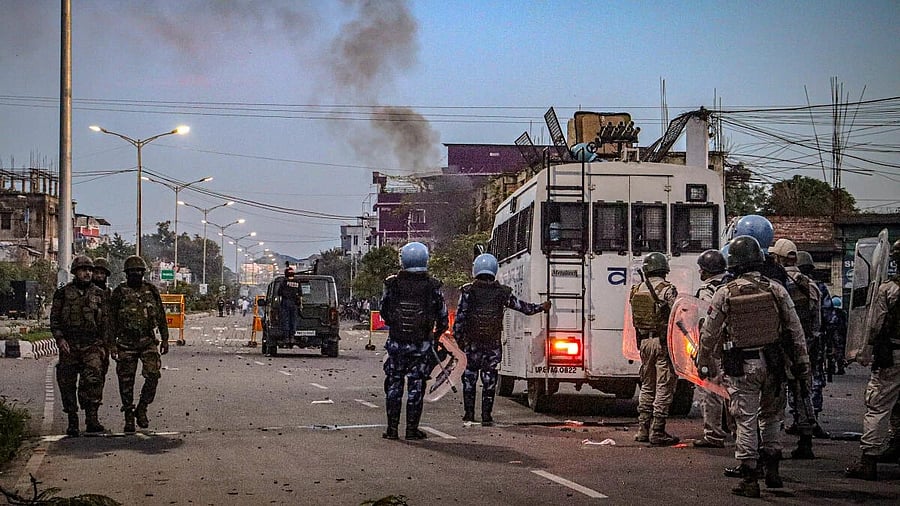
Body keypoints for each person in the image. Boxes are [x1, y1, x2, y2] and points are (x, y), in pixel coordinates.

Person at [696, 235, 810, 497]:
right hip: (774, 363)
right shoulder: (776, 289)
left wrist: (703, 362)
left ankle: (749, 478)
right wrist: (802, 363)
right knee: (772, 416)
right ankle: (773, 471)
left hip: (741, 366)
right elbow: (795, 329)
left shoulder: (725, 292)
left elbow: (710, 333)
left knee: (745, 420)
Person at [454, 253, 550, 426]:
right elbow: (523, 308)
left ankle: (469, 414)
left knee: (469, 380)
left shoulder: (467, 292)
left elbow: (459, 320)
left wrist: (461, 343)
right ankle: (486, 416)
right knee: (489, 380)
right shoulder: (502, 293)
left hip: (472, 345)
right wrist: (541, 307)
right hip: (492, 344)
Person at [380, 242, 449, 440]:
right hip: (421, 346)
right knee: (416, 387)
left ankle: (392, 430)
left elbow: (384, 311)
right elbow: (443, 318)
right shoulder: (433, 286)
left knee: (393, 386)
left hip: (396, 344)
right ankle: (411, 430)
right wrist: (434, 337)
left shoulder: (391, 284)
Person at [846, 239, 900, 481]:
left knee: (878, 405)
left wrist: (863, 350)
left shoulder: (888, 289)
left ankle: (869, 460)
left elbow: (875, 326)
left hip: (893, 355)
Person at [770, 241, 828, 451]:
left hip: (780, 347)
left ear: (779, 258)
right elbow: (817, 320)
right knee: (803, 392)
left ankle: (770, 444)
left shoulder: (775, 283)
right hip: (805, 346)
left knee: (774, 395)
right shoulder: (810, 285)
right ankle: (805, 439)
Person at [50, 256, 111, 436]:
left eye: (90, 270)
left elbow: (106, 322)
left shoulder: (99, 294)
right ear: (75, 272)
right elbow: (55, 318)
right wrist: (60, 339)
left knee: (93, 379)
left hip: (92, 344)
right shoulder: (63, 293)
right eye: (83, 270)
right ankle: (72, 419)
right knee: (67, 382)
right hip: (70, 344)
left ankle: (92, 418)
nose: (88, 273)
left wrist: (106, 346)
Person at [109, 255, 170, 433]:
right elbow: (111, 320)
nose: (136, 274)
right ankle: (128, 414)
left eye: (139, 271)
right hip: (126, 342)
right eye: (132, 272)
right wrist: (112, 344)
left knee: (153, 375)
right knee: (126, 381)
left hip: (147, 341)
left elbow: (160, 315)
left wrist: (165, 338)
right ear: (127, 273)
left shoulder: (151, 290)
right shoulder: (119, 292)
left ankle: (142, 408)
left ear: (143, 273)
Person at [629, 252, 679, 446]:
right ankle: (657, 430)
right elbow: (677, 314)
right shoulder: (667, 290)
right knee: (664, 386)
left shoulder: (636, 290)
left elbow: (634, 320)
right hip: (661, 343)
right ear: (664, 269)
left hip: (644, 343)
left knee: (647, 385)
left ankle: (643, 429)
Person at [692, 249, 730, 448]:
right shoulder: (732, 285)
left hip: (715, 348)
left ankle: (713, 435)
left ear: (707, 271)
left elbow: (706, 324)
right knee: (735, 391)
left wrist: (702, 353)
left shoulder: (707, 291)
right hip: (735, 348)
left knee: (711, 390)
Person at [92, 257, 113, 380]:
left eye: (102, 273)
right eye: (96, 273)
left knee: (101, 373)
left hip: (104, 339)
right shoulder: (88, 292)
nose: (99, 276)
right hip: (89, 340)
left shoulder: (109, 294)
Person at [278, 267, 301, 341]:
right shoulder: (297, 282)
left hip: (286, 302)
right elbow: (300, 294)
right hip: (294, 303)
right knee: (293, 319)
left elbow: (279, 293)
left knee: (286, 319)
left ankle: (286, 336)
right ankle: (292, 336)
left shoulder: (284, 282)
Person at [829, 296, 848, 375]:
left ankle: (832, 368)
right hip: (841, 334)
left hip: (834, 333)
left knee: (832, 351)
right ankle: (840, 367)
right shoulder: (843, 313)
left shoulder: (831, 313)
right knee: (840, 351)